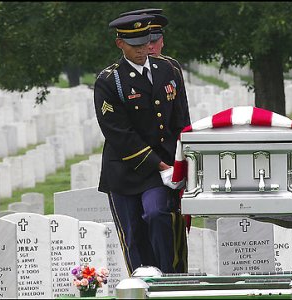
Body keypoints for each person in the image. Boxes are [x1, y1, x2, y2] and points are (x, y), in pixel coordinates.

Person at [93, 14, 188, 275]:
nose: (141, 49)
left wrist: (183, 162)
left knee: (158, 215)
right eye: (134, 44)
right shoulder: (110, 81)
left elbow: (181, 120)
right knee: (133, 235)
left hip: (163, 170)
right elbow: (119, 133)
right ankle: (142, 282)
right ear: (119, 44)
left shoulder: (167, 70)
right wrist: (161, 165)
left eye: (145, 42)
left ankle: (169, 279)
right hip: (125, 171)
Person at [120, 8, 191, 126]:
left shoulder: (172, 67)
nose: (149, 47)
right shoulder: (117, 75)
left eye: (153, 41)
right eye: (140, 43)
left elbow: (181, 114)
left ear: (162, 40)